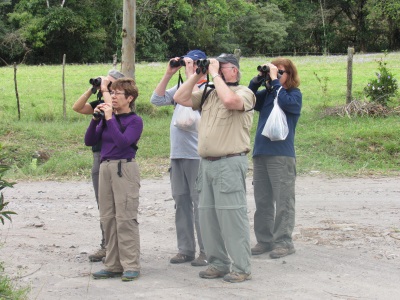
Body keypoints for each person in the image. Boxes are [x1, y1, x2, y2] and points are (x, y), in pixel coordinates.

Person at [173, 53, 255, 283]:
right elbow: (180, 97)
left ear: (234, 71)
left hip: (229, 163)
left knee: (232, 217)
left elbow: (230, 102)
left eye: (222, 67)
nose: (214, 69)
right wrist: (197, 75)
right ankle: (218, 263)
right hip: (206, 165)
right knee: (208, 217)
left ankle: (241, 267)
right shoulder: (208, 93)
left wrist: (215, 74)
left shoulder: (244, 93)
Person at [150, 50, 208, 267]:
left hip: (197, 155)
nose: (187, 66)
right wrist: (168, 73)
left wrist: (195, 75)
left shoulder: (208, 87)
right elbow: (156, 100)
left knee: (200, 204)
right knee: (181, 202)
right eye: (186, 63)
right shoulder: (182, 86)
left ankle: (207, 250)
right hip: (178, 154)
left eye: (191, 63)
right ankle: (185, 250)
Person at [84, 78, 143, 281]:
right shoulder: (107, 118)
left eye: (118, 93)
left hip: (124, 167)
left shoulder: (135, 121)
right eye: (113, 92)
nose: (113, 96)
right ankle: (113, 264)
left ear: (130, 98)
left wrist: (109, 119)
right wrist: (95, 119)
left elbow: (123, 143)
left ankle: (131, 264)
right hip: (105, 167)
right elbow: (89, 141)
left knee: (125, 218)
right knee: (107, 217)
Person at [248, 58, 302, 259]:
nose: (276, 75)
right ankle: (265, 240)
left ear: (290, 75)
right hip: (261, 152)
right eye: (275, 71)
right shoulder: (269, 94)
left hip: (282, 154)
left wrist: (276, 83)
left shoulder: (293, 94)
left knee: (284, 200)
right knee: (262, 201)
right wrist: (258, 80)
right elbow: (249, 100)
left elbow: (289, 105)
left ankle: (284, 242)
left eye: (281, 72)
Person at [72, 69, 125, 262]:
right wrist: (92, 89)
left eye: (111, 85)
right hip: (99, 156)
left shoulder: (122, 105)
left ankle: (118, 246)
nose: (107, 88)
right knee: (103, 203)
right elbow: (77, 107)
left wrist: (105, 88)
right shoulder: (102, 103)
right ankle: (107, 244)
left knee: (118, 204)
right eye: (107, 84)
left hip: (116, 158)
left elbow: (112, 108)